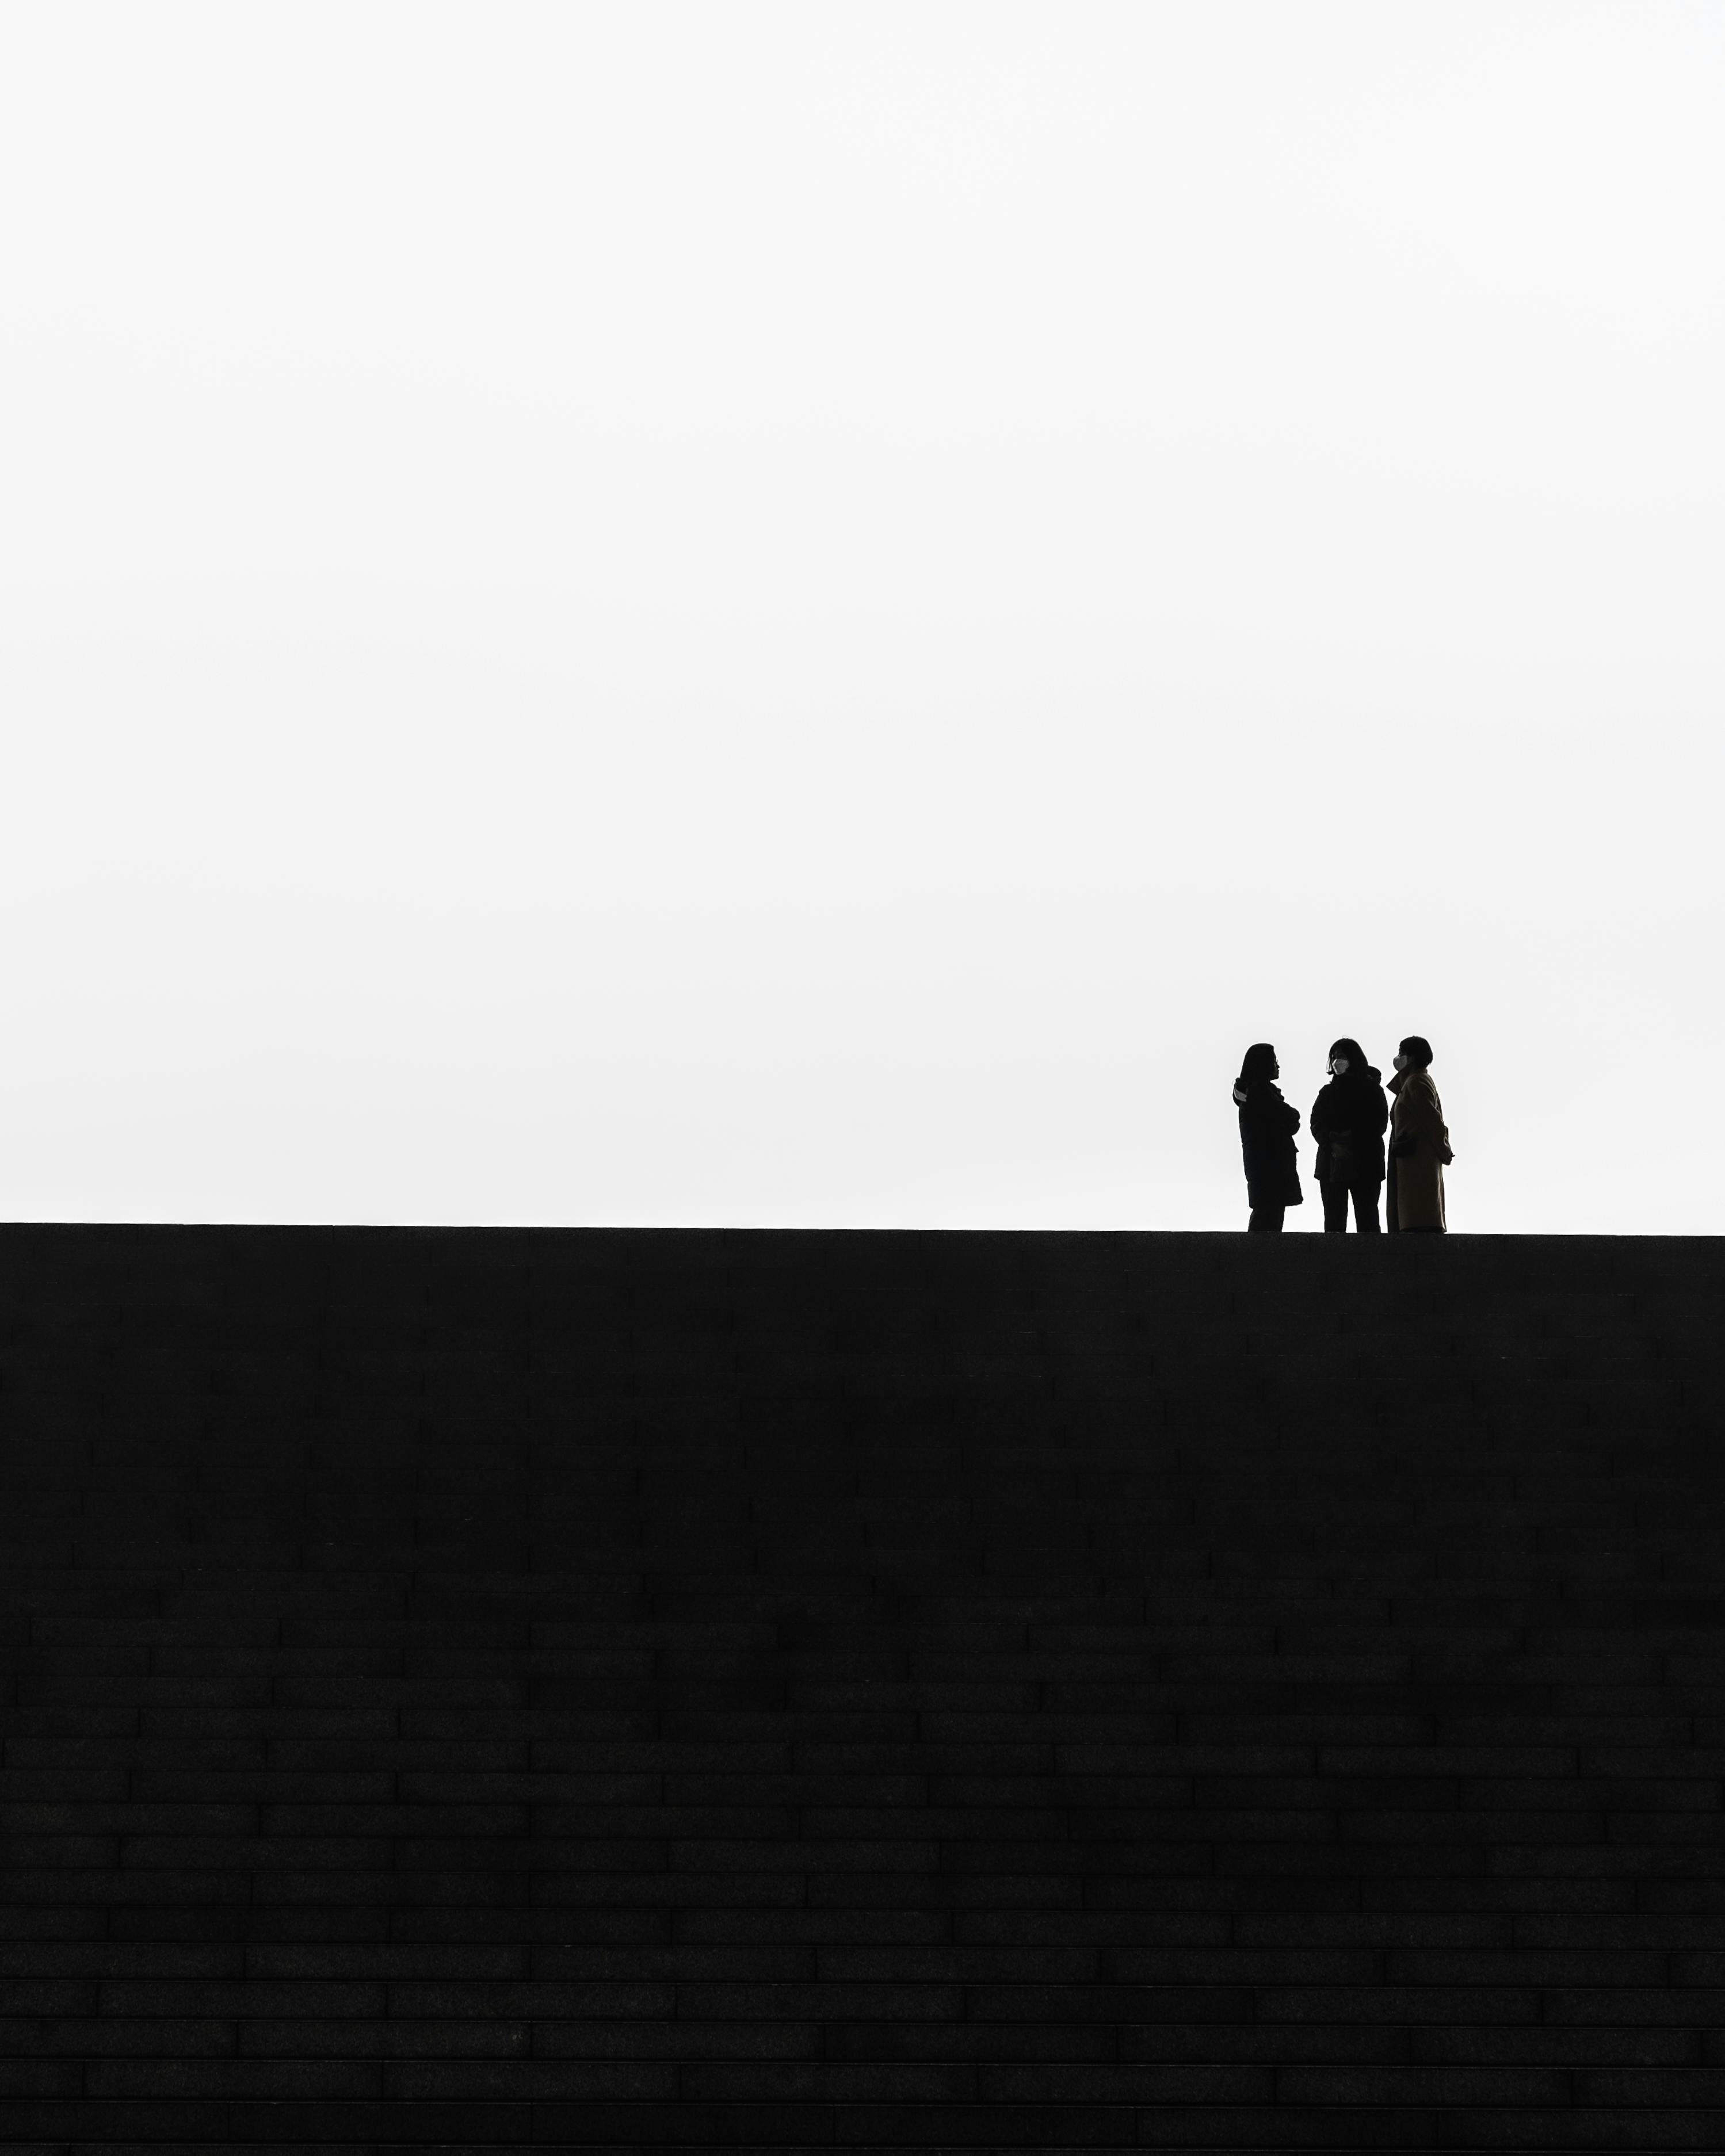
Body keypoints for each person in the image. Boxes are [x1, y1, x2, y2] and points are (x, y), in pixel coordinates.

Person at [1309, 1038, 1387, 1233]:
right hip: (1331, 1165)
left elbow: (1378, 1124)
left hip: (1365, 1164)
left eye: (1341, 1056)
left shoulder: (1373, 1090)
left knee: (1367, 1220)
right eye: (1334, 1057)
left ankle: (1371, 1263)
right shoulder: (1326, 1093)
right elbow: (1316, 1123)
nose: (1337, 1061)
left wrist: (1347, 1141)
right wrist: (1332, 1142)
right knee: (1334, 1223)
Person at [1386, 1034, 1453, 1233]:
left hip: (1417, 1163)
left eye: (1402, 1053)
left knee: (1417, 1217)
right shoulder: (1413, 1082)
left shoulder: (1416, 1083)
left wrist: (1445, 1151)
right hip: (1414, 1161)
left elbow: (1433, 1122)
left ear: (1412, 1057)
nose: (1398, 1057)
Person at [1233, 1042, 1302, 1232]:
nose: (1278, 1066)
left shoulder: (1254, 1093)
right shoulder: (1259, 1093)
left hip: (1266, 1167)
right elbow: (1291, 1116)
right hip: (1269, 1166)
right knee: (1268, 1217)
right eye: (1274, 1061)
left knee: (1267, 1215)